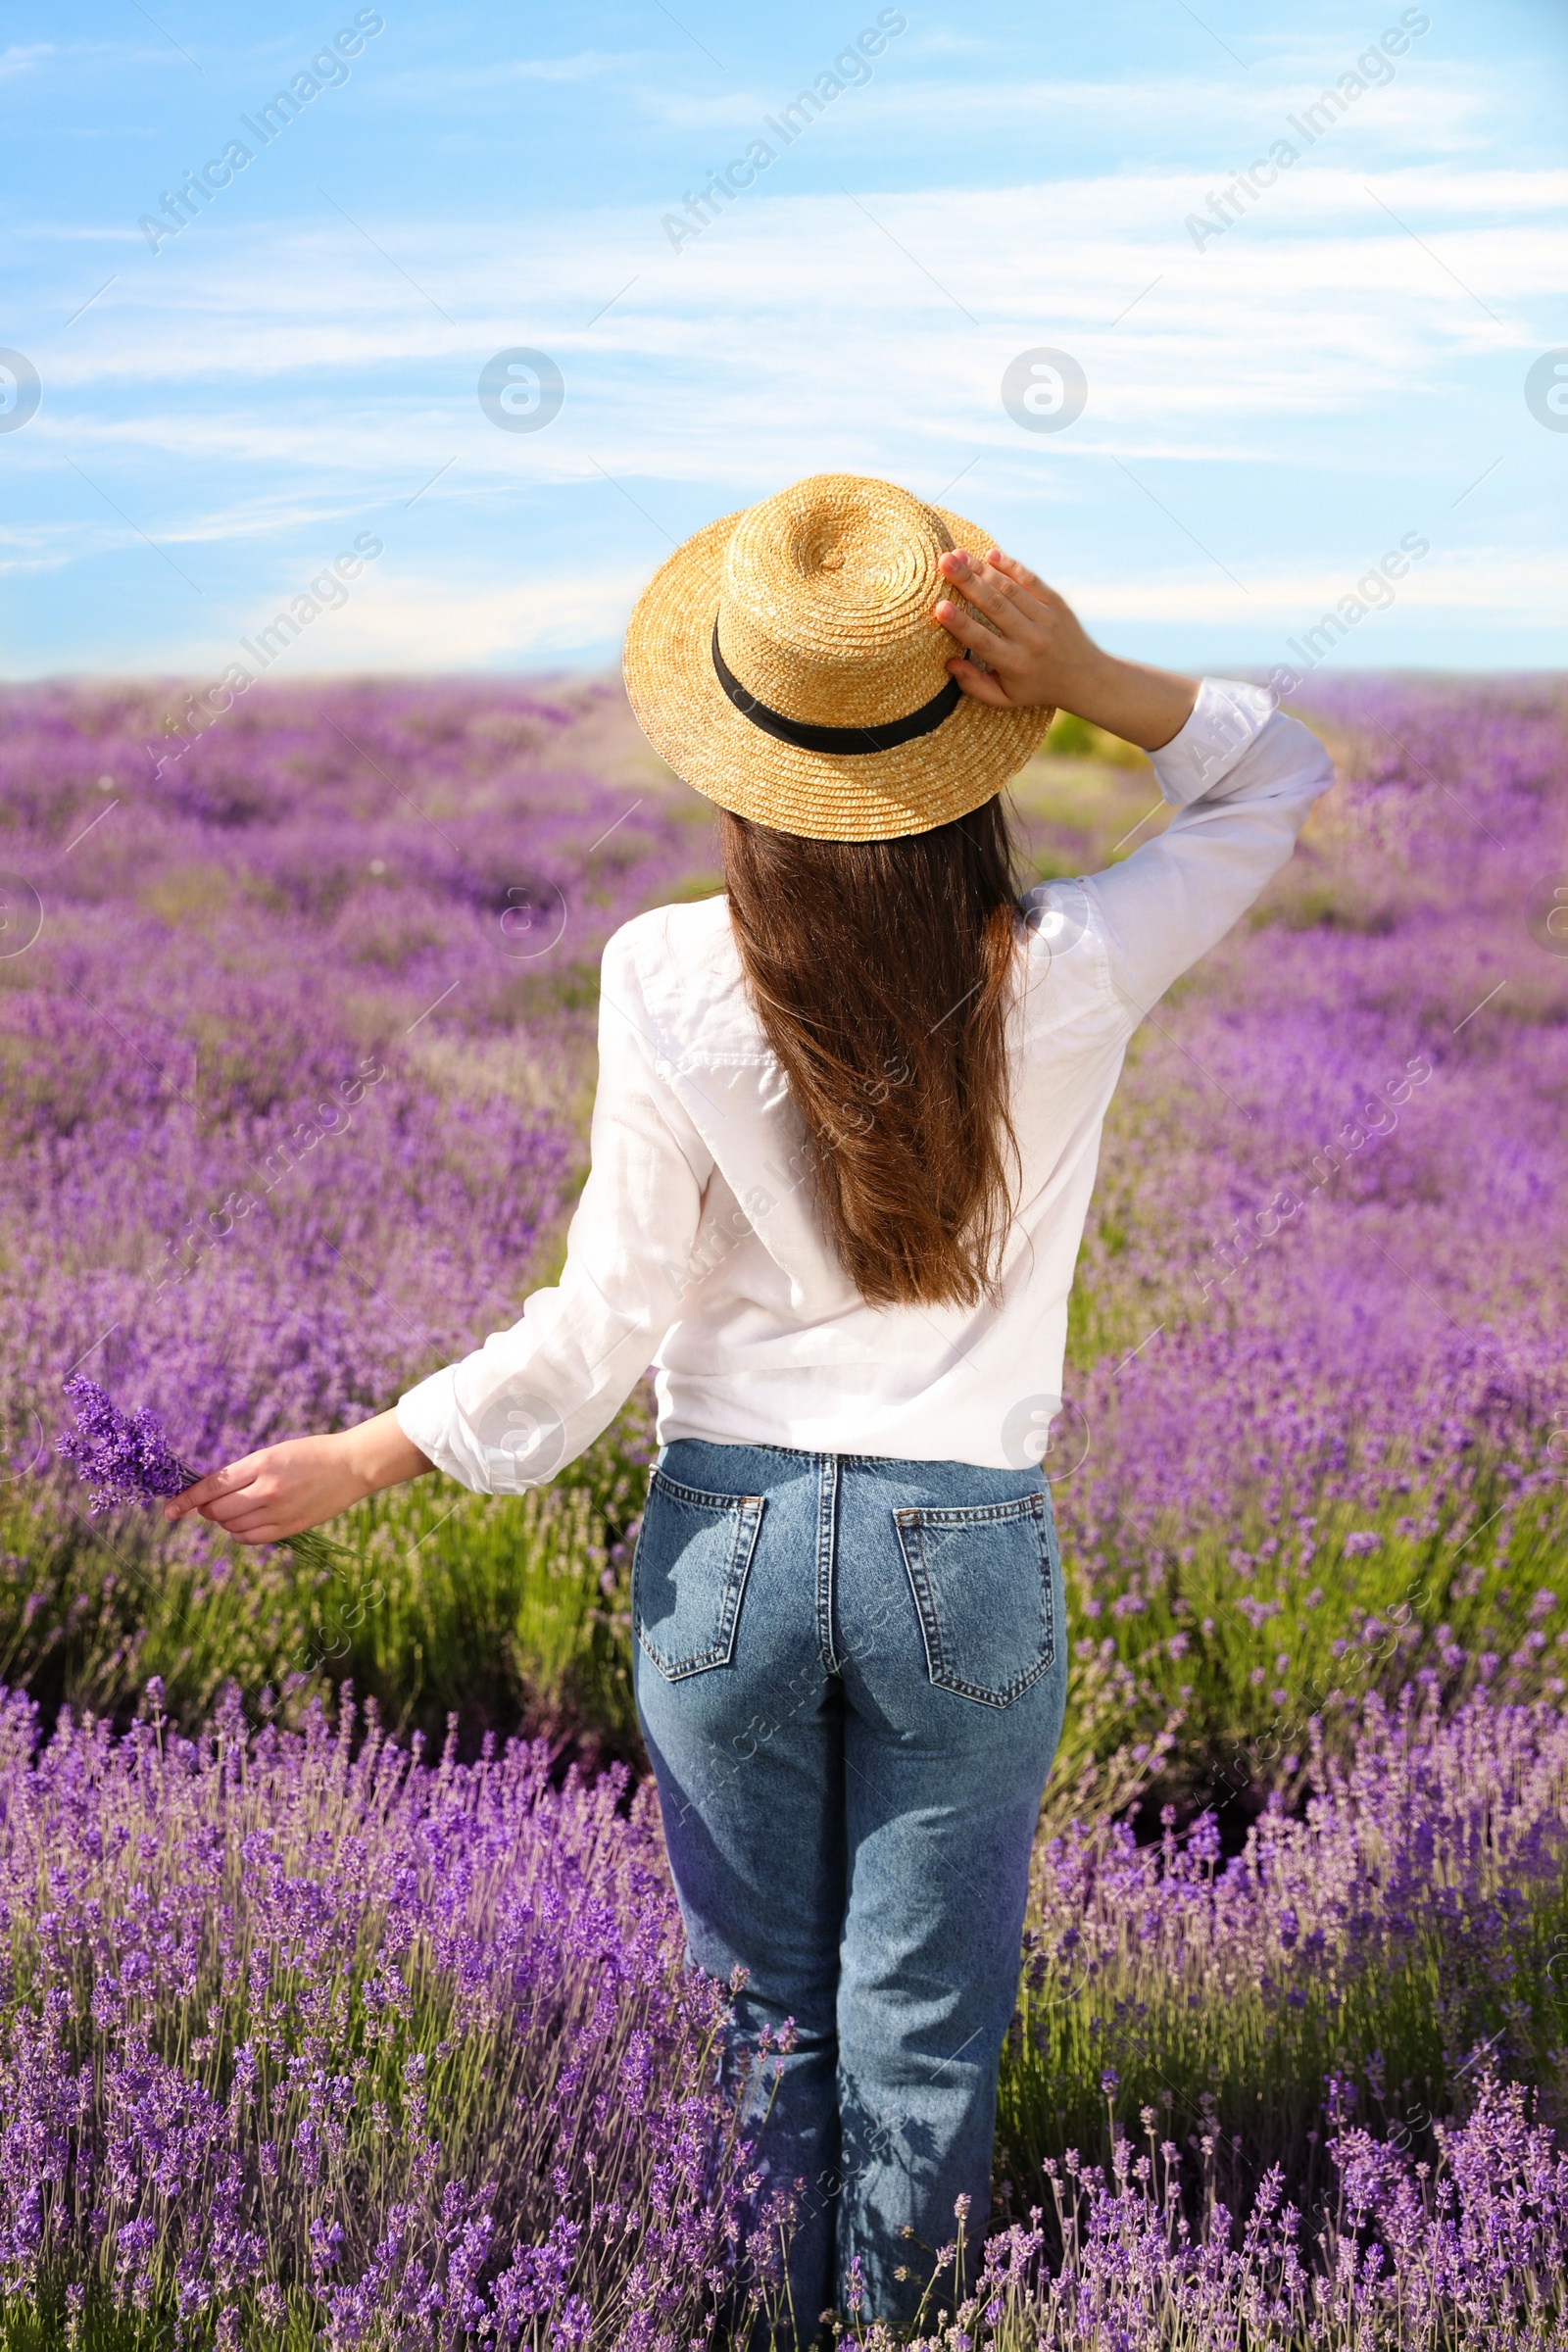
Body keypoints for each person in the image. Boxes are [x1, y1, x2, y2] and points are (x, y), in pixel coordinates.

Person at [165, 473, 1332, 2339]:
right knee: (924, 2038)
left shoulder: (666, 970)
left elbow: (603, 1317)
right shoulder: (1077, 969)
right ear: (967, 754)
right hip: (966, 1553)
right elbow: (1274, 780)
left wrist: (376, 1450)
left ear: (739, 757)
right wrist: (1100, 673)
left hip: (729, 1551)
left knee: (761, 2025)